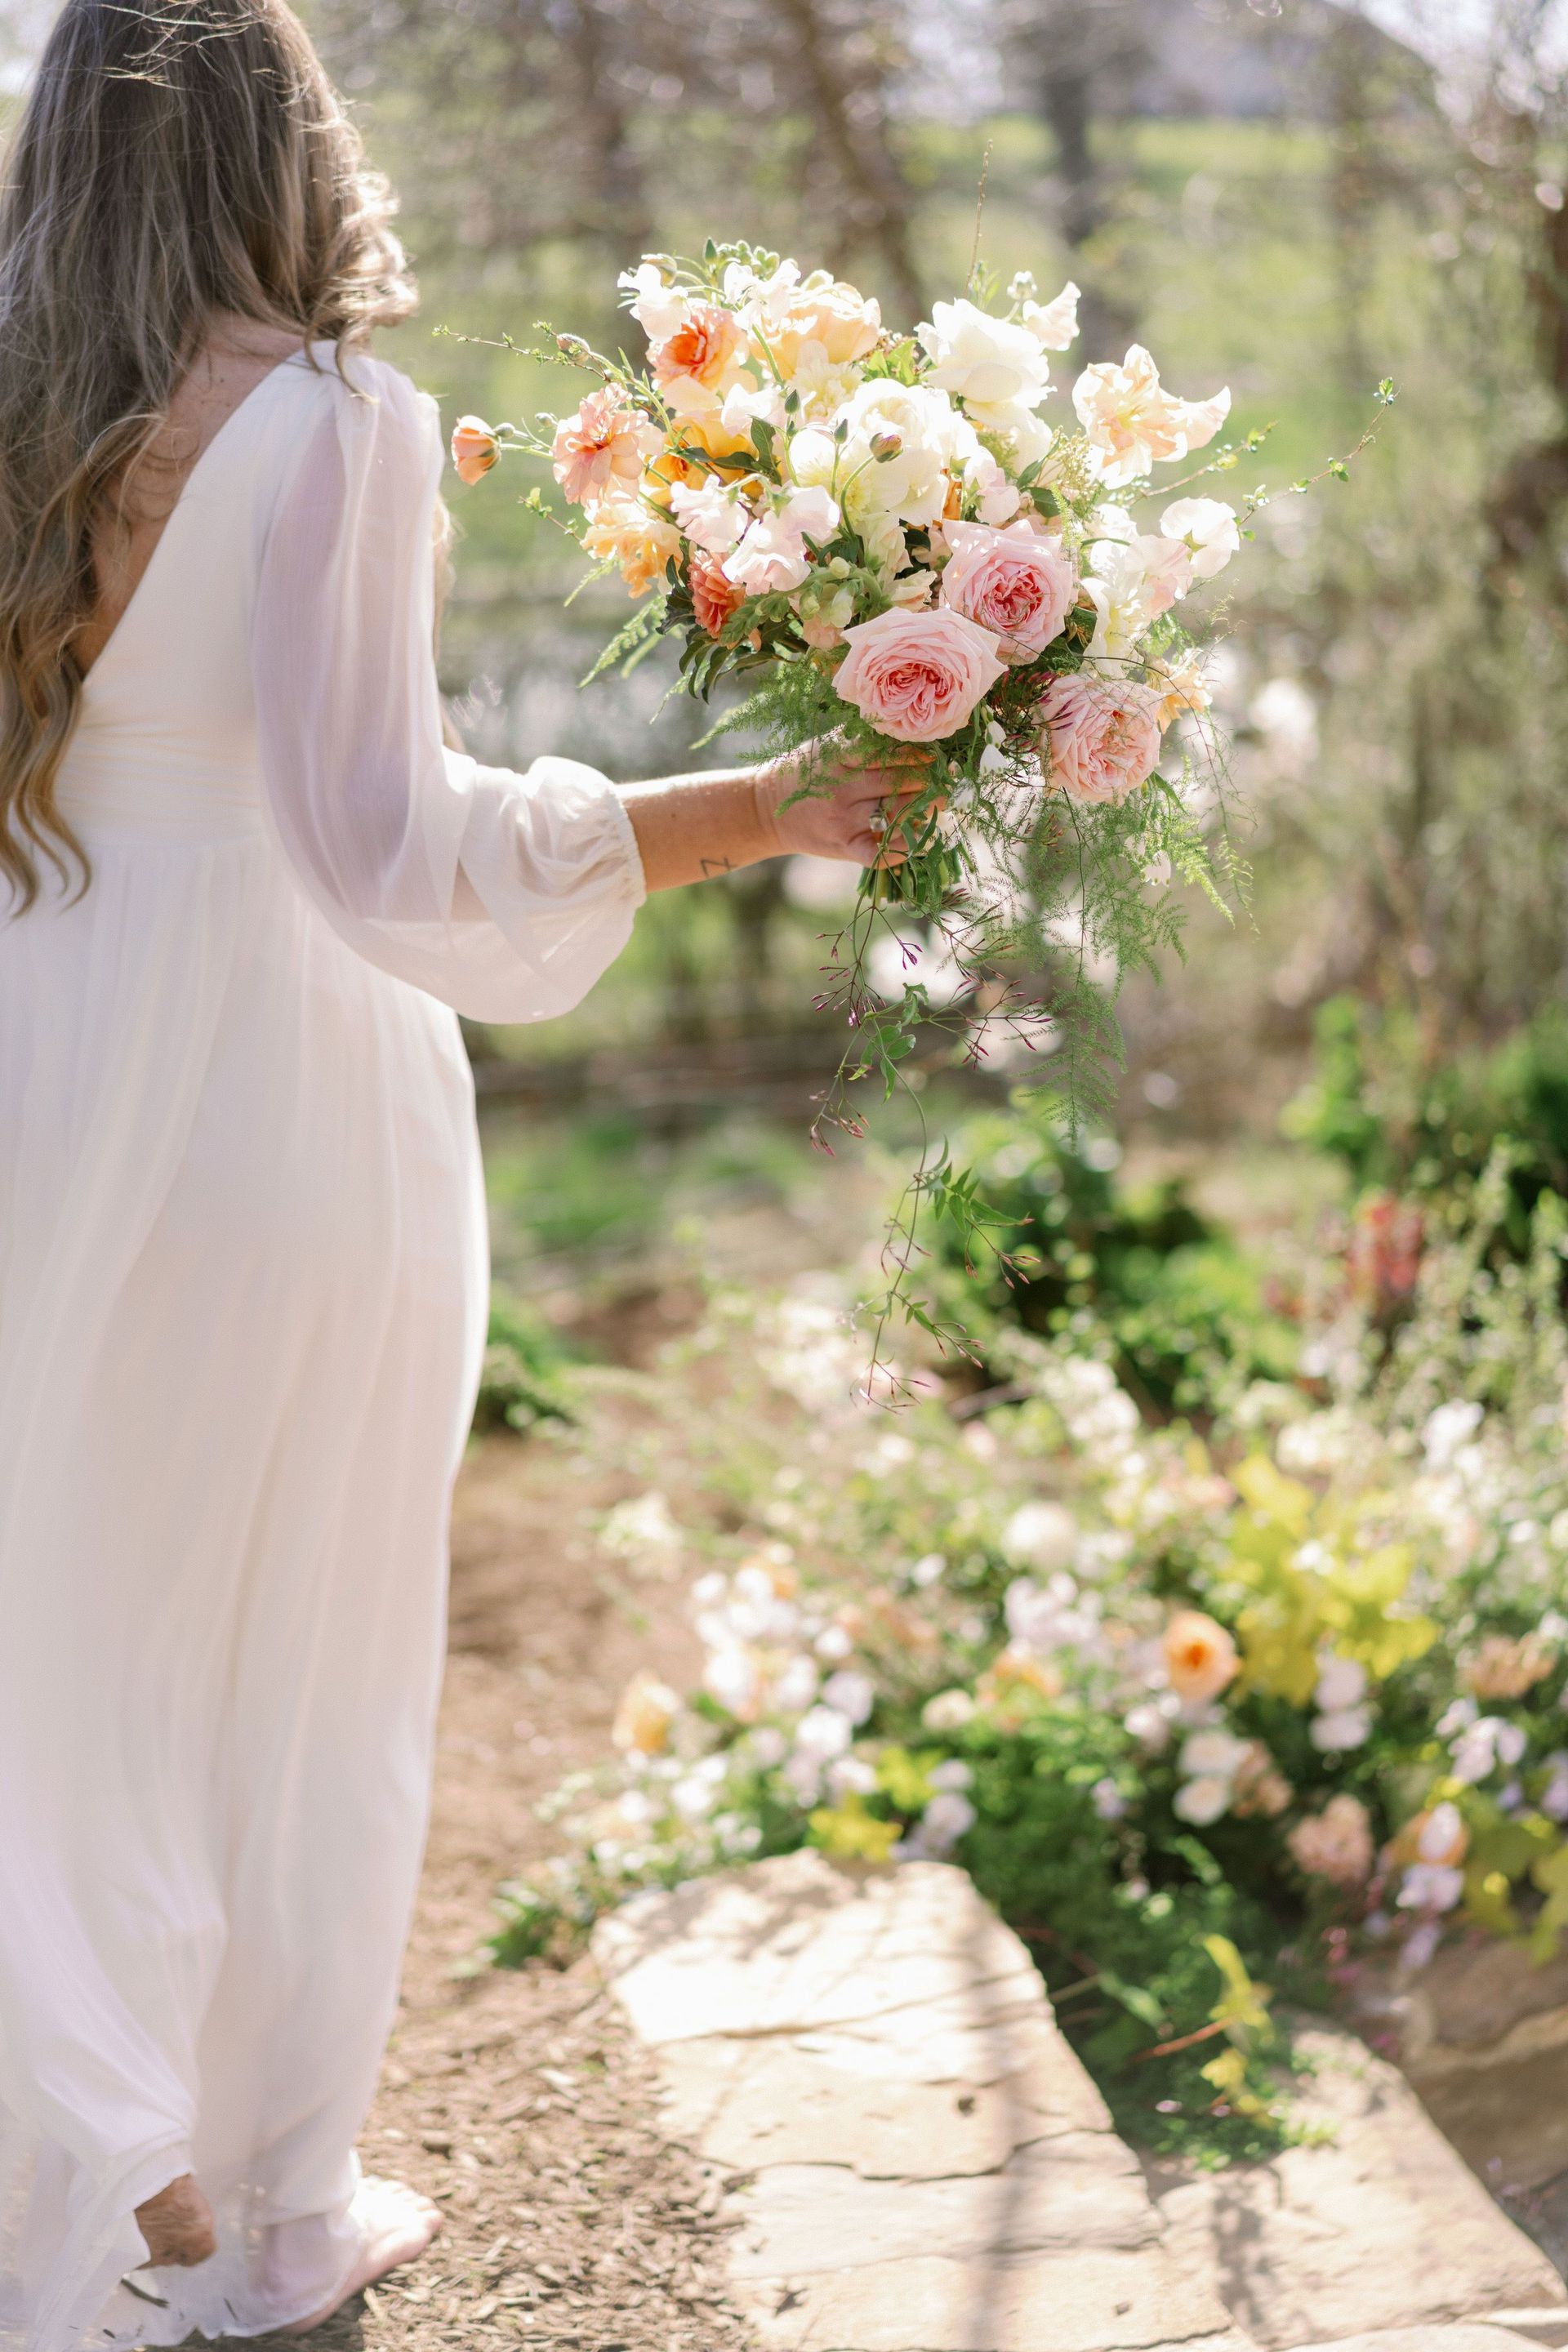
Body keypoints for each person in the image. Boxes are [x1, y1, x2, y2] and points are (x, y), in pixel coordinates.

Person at [0, 5, 920, 2345]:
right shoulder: (330, 423)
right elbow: (382, 844)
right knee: (299, 1638)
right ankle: (263, 2196)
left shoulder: (19, 415)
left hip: (43, 1029)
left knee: (55, 1611)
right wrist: (747, 811)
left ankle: (96, 2135)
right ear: (278, 142)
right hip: (274, 1083)